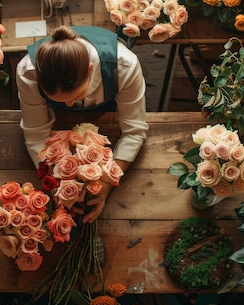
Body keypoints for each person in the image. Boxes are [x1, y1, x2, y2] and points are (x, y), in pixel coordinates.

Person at [16, 25, 148, 223]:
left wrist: (105, 185)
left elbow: (134, 131)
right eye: (59, 99)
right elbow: (36, 135)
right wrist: (59, 186)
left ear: (90, 70)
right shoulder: (28, 71)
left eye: (76, 96)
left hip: (110, 109)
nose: (69, 105)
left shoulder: (124, 65)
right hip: (58, 122)